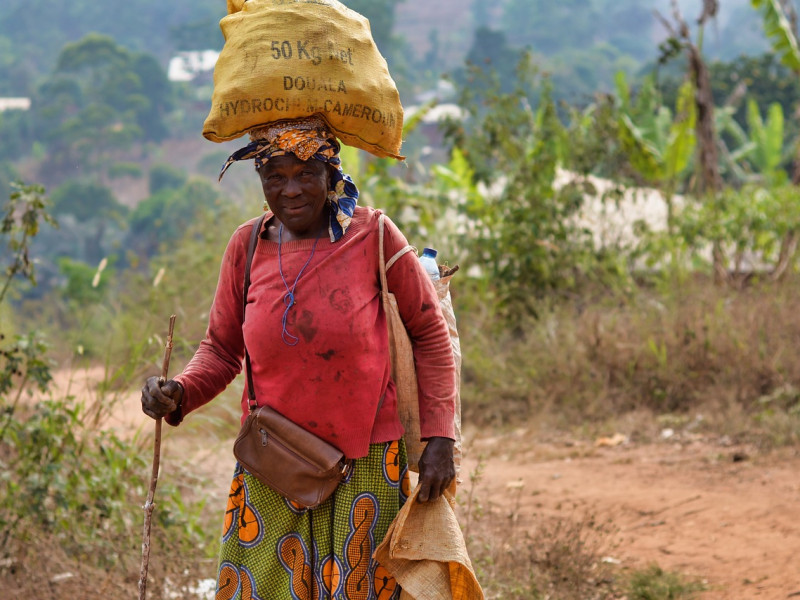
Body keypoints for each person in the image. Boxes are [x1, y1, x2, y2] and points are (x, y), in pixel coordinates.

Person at [141, 115, 457, 599]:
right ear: (260, 180)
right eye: (276, 176)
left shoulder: (373, 236)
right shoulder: (246, 247)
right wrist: (179, 391)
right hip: (273, 464)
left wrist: (440, 438)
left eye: (306, 173)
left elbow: (429, 334)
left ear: (331, 174)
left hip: (367, 462)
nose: (291, 190)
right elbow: (223, 350)